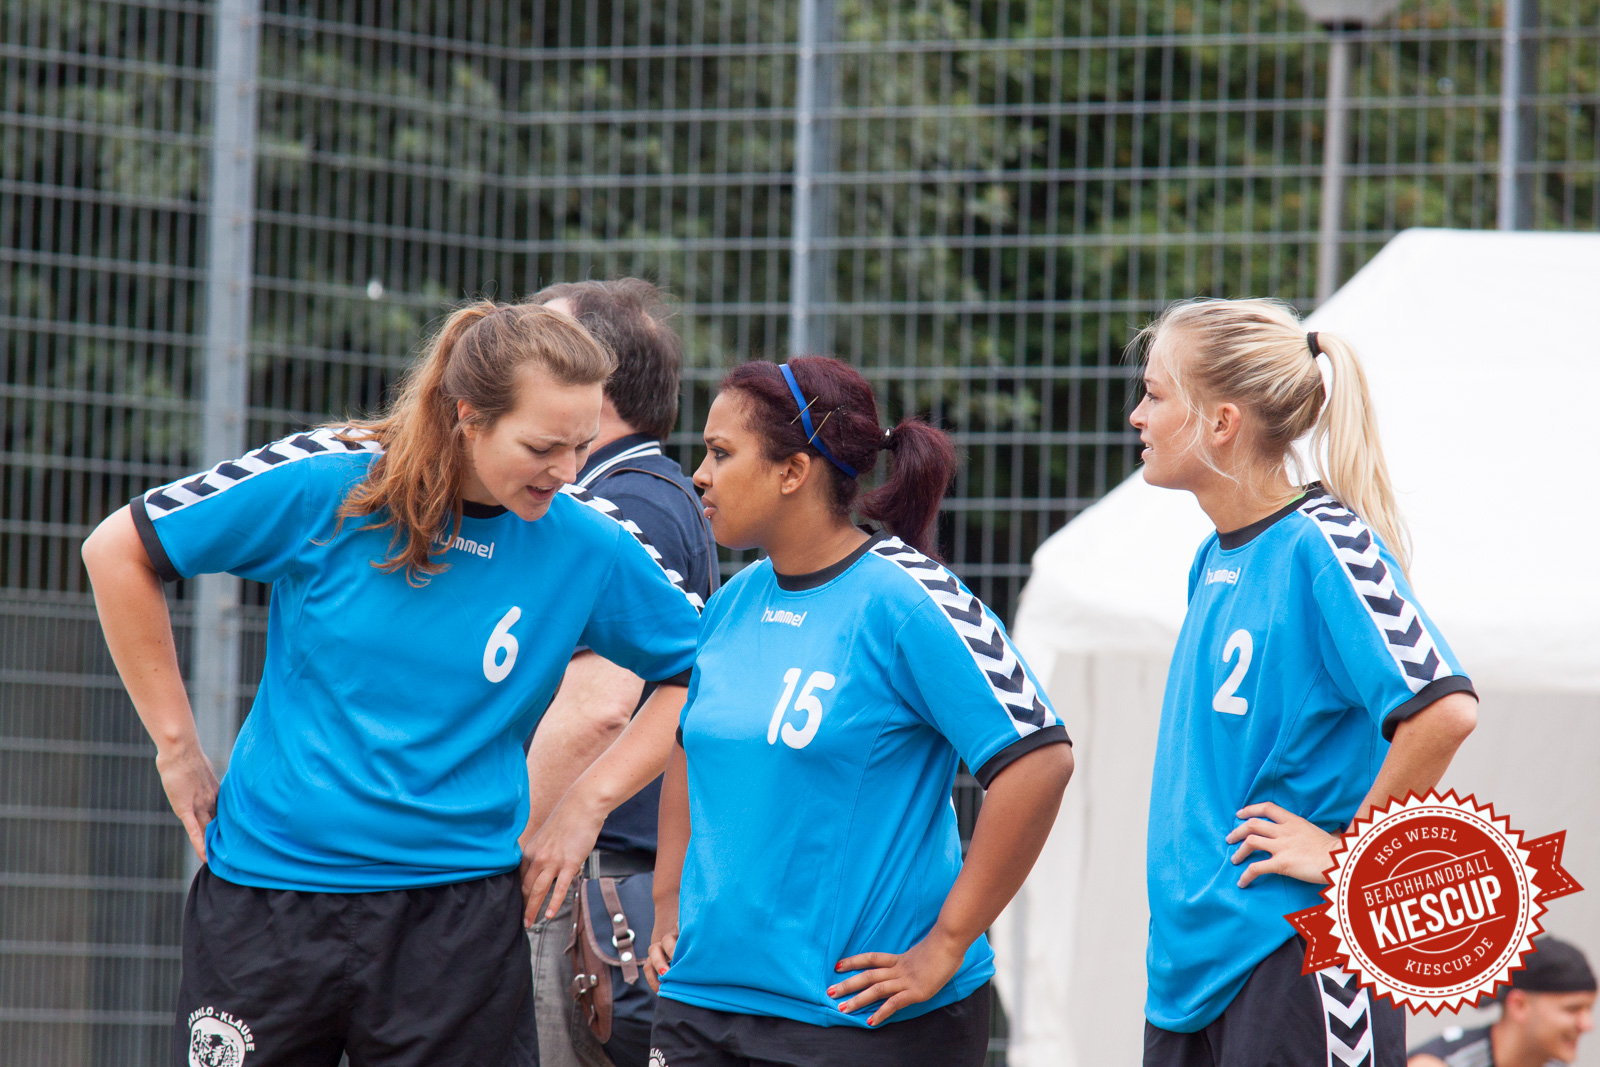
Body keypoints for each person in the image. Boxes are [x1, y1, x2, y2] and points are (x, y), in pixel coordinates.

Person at [79, 301, 702, 1067]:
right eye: (543, 445)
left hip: (456, 922)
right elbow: (118, 550)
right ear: (468, 416)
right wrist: (177, 748)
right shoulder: (327, 479)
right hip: (268, 898)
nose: (568, 471)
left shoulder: (587, 539)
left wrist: (589, 803)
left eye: (581, 444)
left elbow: (702, 671)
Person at [520, 356, 1074, 1067]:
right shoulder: (731, 603)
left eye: (721, 453)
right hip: (701, 1003)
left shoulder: (907, 598)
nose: (700, 474)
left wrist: (947, 941)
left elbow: (1039, 759)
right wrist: (666, 899)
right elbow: (691, 744)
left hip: (855, 1017)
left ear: (794, 471)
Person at [1130, 299, 1479, 1067]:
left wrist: (1351, 857)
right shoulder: (1213, 558)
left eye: (1154, 394)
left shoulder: (1326, 544)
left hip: (1296, 950)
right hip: (1192, 967)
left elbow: (1444, 710)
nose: (1136, 415)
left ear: (1222, 421)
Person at [519, 279, 718, 1067]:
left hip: (578, 875)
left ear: (593, 379)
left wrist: (487, 852)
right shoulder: (629, 492)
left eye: (541, 342)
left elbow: (598, 707)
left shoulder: (626, 503)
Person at [1408, 937, 1597, 1067]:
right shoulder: (1443, 1062)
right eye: (1572, 1009)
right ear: (1519, 1005)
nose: (1587, 1025)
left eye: (1589, 1009)